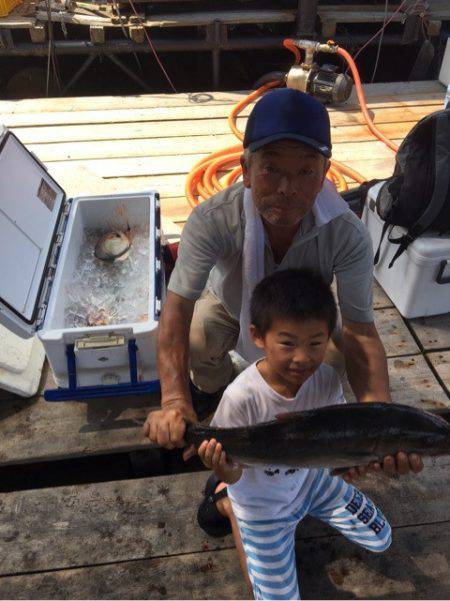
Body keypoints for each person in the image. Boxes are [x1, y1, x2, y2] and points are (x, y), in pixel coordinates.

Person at [144, 87, 422, 477]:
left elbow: (360, 330)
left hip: (305, 319)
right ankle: (217, 395)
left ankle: (301, 428)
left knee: (336, 356)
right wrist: (174, 398)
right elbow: (177, 308)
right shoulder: (213, 219)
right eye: (271, 169)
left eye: (305, 171)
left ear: (325, 173)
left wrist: (380, 417)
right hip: (231, 305)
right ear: (245, 168)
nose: (287, 189)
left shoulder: (347, 232)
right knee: (198, 339)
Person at [196, 269, 394, 600]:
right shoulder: (240, 397)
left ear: (329, 337)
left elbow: (338, 444)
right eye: (287, 343)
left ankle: (297, 509)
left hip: (310, 481)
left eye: (315, 343)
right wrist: (223, 470)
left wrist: (349, 466)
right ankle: (226, 505)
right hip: (261, 503)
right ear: (258, 336)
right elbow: (234, 467)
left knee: (381, 537)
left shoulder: (328, 379)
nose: (302, 358)